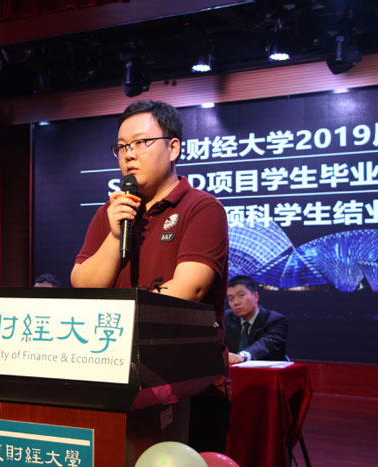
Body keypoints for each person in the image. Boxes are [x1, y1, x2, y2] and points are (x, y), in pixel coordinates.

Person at [71, 100, 229, 453]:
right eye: (121, 146)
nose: (129, 154)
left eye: (141, 143)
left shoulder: (201, 208)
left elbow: (189, 289)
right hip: (116, 380)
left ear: (173, 148)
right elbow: (83, 287)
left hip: (190, 386)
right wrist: (115, 235)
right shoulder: (111, 213)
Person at [224, 275, 288, 363]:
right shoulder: (226, 317)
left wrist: (242, 356)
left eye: (241, 295)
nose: (235, 302)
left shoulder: (276, 320)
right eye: (231, 298)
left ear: (255, 296)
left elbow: (265, 344)